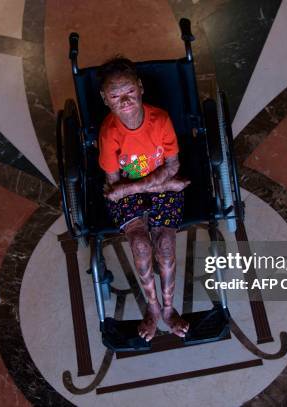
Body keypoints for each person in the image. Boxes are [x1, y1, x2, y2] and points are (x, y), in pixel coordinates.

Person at [97, 57, 190, 342]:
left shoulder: (159, 120)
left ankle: (168, 308)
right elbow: (115, 183)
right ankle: (152, 307)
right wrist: (160, 186)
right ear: (105, 99)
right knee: (139, 244)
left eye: (129, 92)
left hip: (143, 186)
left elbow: (172, 166)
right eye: (115, 96)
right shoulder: (109, 133)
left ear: (140, 88)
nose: (124, 101)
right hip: (155, 186)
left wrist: (130, 190)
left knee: (164, 244)